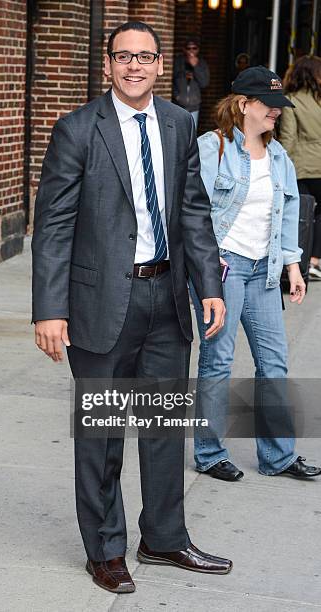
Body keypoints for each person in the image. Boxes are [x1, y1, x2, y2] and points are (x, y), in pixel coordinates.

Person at [32, 21, 231, 595]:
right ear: (108, 65)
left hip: (166, 299)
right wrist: (49, 308)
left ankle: (164, 537)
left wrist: (208, 286)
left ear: (160, 63)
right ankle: (105, 550)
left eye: (145, 56)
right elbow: (54, 226)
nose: (135, 66)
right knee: (102, 433)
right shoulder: (76, 129)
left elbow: (193, 211)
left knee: (164, 427)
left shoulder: (178, 123)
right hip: (99, 302)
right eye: (124, 57)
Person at [190, 66, 321, 482]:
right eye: (270, 106)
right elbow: (193, 210)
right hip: (224, 270)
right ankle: (210, 453)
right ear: (244, 105)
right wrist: (208, 261)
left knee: (274, 363)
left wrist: (293, 266)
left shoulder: (279, 156)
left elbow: (287, 215)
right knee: (219, 362)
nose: (277, 113)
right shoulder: (213, 149)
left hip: (263, 272)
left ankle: (278, 457)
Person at [279, 55, 321, 279]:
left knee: (302, 216)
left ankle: (299, 263)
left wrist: (282, 167)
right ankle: (315, 261)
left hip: (302, 168)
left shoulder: (291, 101)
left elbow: (288, 139)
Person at [173, 35, 210, 128]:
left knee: (191, 135)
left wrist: (195, 66)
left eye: (194, 48)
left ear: (198, 49)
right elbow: (171, 80)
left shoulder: (202, 63)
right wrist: (176, 96)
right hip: (178, 106)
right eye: (188, 48)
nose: (191, 51)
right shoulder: (178, 62)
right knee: (178, 133)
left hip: (194, 107)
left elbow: (204, 83)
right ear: (184, 49)